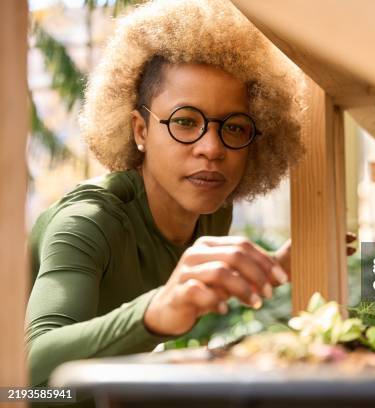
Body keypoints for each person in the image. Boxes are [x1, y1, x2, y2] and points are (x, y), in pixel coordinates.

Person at [25, 0, 308, 389]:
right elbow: (24, 377)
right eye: (185, 122)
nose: (212, 148)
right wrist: (156, 311)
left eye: (235, 127)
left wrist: (263, 273)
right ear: (140, 130)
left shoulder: (211, 210)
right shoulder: (86, 223)